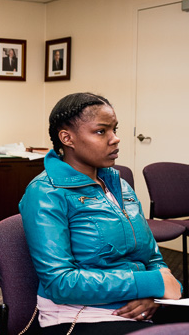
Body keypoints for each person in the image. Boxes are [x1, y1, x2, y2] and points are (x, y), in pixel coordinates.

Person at [19, 92, 183, 335]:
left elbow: (153, 260)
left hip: (141, 304)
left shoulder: (121, 186)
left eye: (115, 129)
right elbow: (59, 283)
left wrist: (156, 294)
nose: (115, 139)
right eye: (101, 131)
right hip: (80, 315)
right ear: (67, 138)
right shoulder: (46, 192)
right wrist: (152, 284)